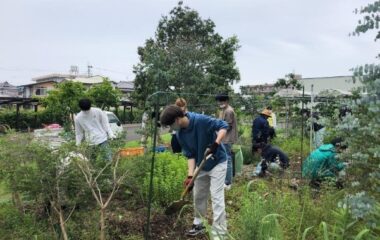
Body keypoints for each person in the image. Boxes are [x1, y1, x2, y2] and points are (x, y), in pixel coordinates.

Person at [160, 105, 228, 238]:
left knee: (216, 197)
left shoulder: (201, 120)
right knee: (198, 195)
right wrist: (190, 176)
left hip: (217, 162)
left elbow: (223, 125)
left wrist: (216, 143)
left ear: (177, 119)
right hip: (201, 164)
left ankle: (220, 233)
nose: (170, 129)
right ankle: (199, 224)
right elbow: (190, 155)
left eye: (170, 125)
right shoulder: (180, 134)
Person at [215, 93, 238, 190]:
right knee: (226, 158)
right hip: (224, 138)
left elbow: (227, 126)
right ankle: (226, 180)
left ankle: (228, 182)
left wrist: (217, 130)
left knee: (227, 159)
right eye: (219, 101)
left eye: (222, 101)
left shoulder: (228, 111)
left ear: (226, 101)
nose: (220, 103)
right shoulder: (223, 110)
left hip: (227, 138)